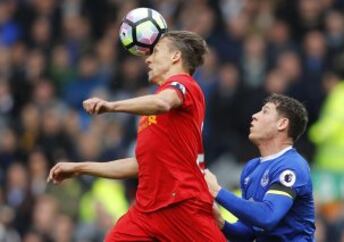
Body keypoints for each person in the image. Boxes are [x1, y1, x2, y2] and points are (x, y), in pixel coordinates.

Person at [47, 31, 226, 242]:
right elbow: (141, 165)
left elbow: (163, 103)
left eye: (156, 52)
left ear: (175, 56)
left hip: (182, 204)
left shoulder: (185, 85)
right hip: (146, 210)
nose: (148, 59)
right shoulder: (150, 113)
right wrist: (79, 168)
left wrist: (111, 106)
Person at [205, 94, 315, 241]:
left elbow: (267, 217)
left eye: (265, 111)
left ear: (282, 124)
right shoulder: (251, 168)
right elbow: (248, 233)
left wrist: (217, 191)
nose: (254, 116)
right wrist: (221, 222)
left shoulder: (292, 165)